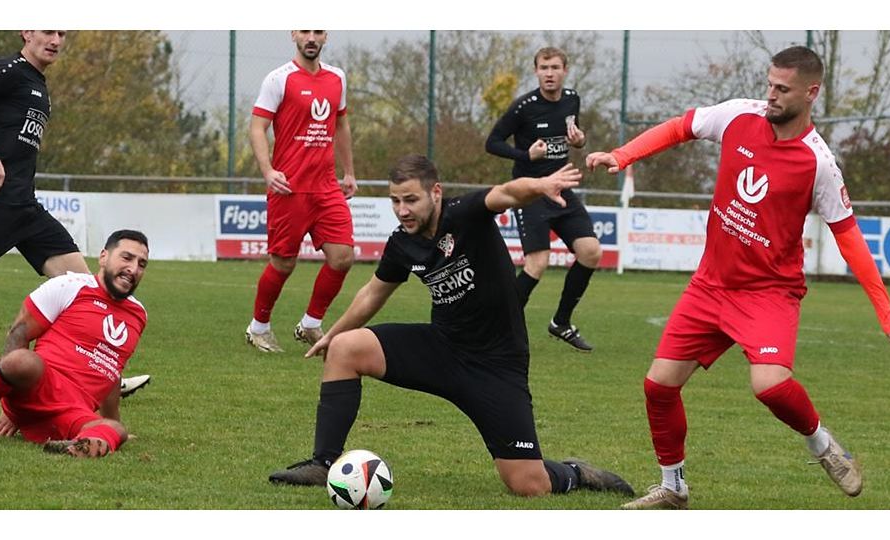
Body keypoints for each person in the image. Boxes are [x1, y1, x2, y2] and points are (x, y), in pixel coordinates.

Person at [586, 46, 890, 509]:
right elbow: (680, 127)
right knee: (658, 385)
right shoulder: (737, 116)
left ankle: (823, 444)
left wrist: (886, 314)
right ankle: (673, 486)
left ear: (811, 92)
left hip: (768, 293)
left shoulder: (818, 163)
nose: (771, 96)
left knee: (770, 386)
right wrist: (624, 155)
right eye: (769, 84)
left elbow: (849, 237)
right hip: (710, 285)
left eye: (782, 89)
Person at [268, 154, 634, 498]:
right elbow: (372, 293)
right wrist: (332, 335)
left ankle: (578, 472)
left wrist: (539, 186)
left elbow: (506, 193)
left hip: (496, 365)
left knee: (528, 484)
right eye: (395, 201)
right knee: (346, 349)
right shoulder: (402, 243)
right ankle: (323, 463)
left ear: (436, 192)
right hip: (441, 349)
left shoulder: (465, 214)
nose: (402, 210)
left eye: (410, 200)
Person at [0, 31, 151, 404]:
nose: (56, 39)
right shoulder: (9, 70)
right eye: (47, 30)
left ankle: (102, 371)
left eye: (62, 32)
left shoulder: (38, 85)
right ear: (26, 31)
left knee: (84, 285)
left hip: (25, 209)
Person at [0, 230, 150, 458]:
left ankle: (74, 446)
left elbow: (113, 371)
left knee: (117, 430)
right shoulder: (69, 285)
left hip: (72, 412)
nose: (133, 269)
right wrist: (11, 409)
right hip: (35, 386)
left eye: (142, 264)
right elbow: (18, 334)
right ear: (104, 257)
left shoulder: (138, 315)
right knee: (22, 361)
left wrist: (109, 422)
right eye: (126, 258)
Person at [245, 30, 357, 354]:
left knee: (343, 257)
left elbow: (342, 125)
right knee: (283, 264)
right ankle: (258, 328)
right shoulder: (278, 80)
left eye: (317, 31)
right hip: (289, 187)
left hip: (326, 187)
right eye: (305, 30)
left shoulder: (337, 78)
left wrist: (348, 172)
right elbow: (256, 127)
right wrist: (268, 171)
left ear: (326, 37)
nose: (311, 37)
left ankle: (310, 323)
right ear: (293, 34)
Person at [485, 46, 601, 352]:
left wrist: (580, 141)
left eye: (555, 68)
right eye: (543, 68)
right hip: (532, 190)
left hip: (561, 188)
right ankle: (499, 330)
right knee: (537, 262)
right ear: (536, 71)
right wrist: (526, 155)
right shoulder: (524, 107)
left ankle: (560, 322)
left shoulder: (572, 99)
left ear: (565, 70)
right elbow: (492, 143)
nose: (549, 73)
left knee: (591, 252)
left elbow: (574, 135)